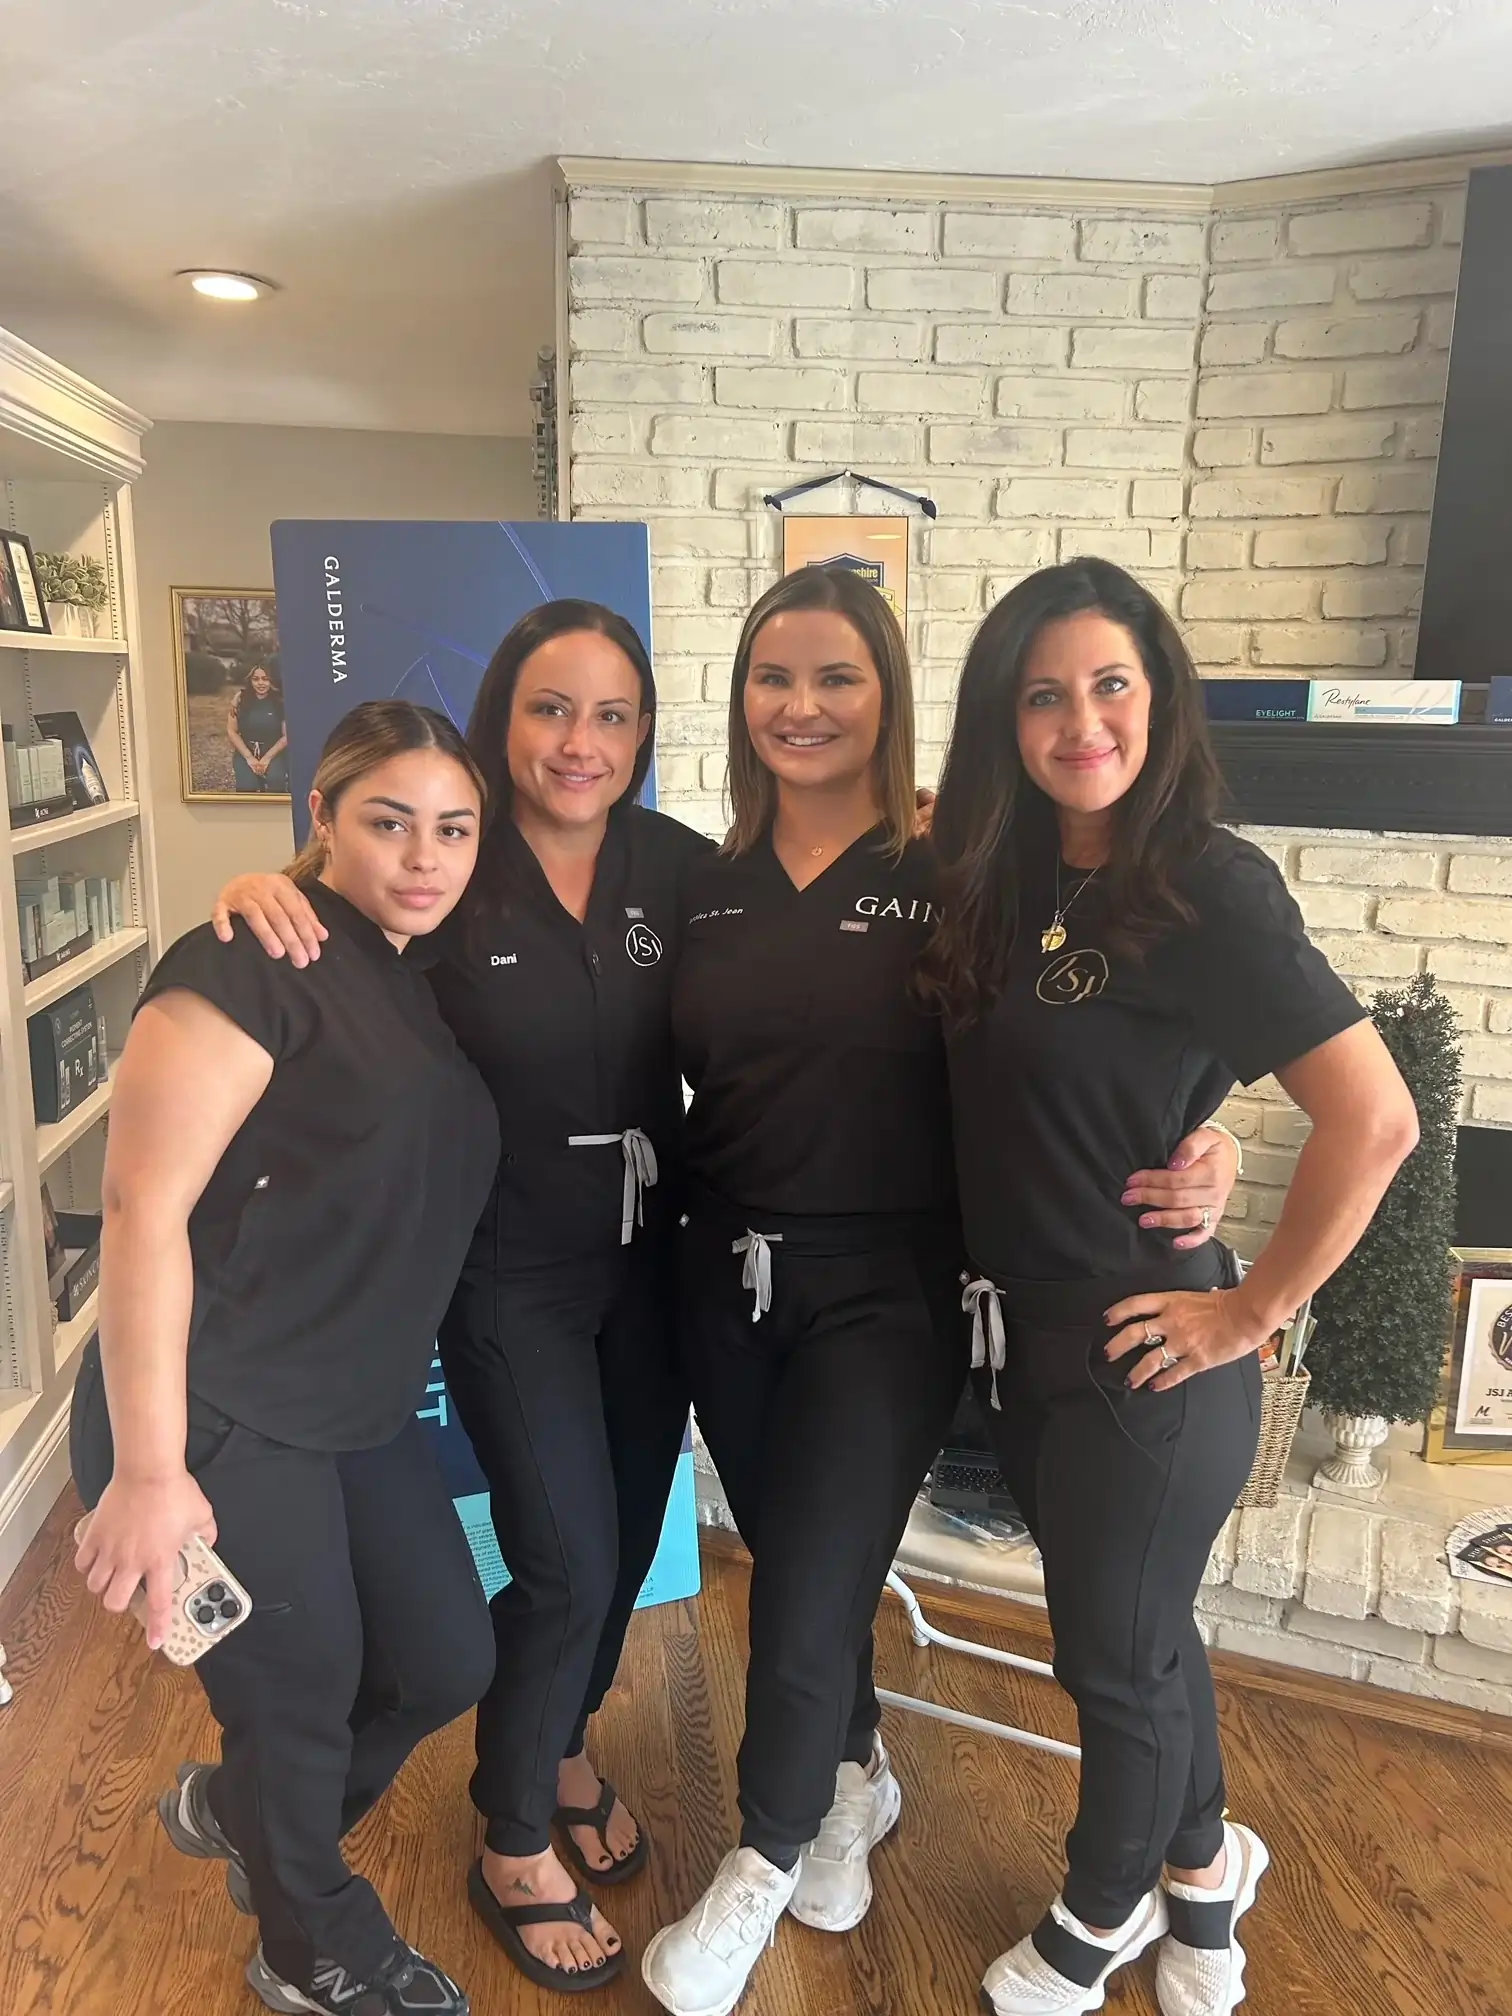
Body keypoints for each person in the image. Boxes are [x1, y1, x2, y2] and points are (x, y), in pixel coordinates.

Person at [640, 567, 1241, 2016]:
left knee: (801, 1587)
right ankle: (853, 1778)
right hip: (726, 1286)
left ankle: (763, 1853)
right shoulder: (694, 884)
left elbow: (1103, 1032)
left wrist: (1203, 1137)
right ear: (738, 699)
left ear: (891, 699)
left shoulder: (962, 876)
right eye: (773, 677)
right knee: (810, 1558)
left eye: (837, 677)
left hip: (891, 1296)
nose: (801, 706)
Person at [922, 558, 1419, 2016]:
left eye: (1111, 685)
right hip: (1016, 1349)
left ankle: (1099, 1914)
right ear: (1004, 719)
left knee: (1111, 1654)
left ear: (1162, 696)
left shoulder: (1207, 881)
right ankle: (1205, 1866)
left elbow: (1376, 1121)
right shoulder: (992, 868)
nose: (1081, 723)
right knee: (1141, 1631)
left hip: (1148, 1352)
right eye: (1043, 696)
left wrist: (1252, 1311)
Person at [210, 601, 711, 1993]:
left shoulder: (680, 868)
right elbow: (321, 944)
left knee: (617, 1549)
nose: (581, 741)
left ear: (643, 733)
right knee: (564, 1559)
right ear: (503, 720)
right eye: (551, 708)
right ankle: (511, 1834)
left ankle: (559, 1744)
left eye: (613, 714)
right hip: (505, 1275)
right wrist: (258, 889)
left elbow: (798, 982)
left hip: (649, 1265)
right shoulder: (453, 870)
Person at [71, 701, 502, 2016]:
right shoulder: (248, 955)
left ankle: (243, 1813)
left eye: (454, 830)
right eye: (388, 822)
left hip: (352, 1404)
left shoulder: (405, 971)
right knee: (299, 1699)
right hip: (216, 1402)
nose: (424, 857)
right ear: (322, 816)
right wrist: (150, 1471)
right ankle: (313, 1943)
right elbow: (139, 1207)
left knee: (444, 1660)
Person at [229, 664, 290, 793]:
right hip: (246, 751)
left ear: (272, 681)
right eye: (256, 679)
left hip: (274, 751)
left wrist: (267, 758)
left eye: (265, 679)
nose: (260, 683)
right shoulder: (240, 701)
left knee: (276, 781)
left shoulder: (281, 702)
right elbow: (232, 731)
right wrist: (249, 757)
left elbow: (287, 736)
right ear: (250, 681)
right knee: (246, 786)